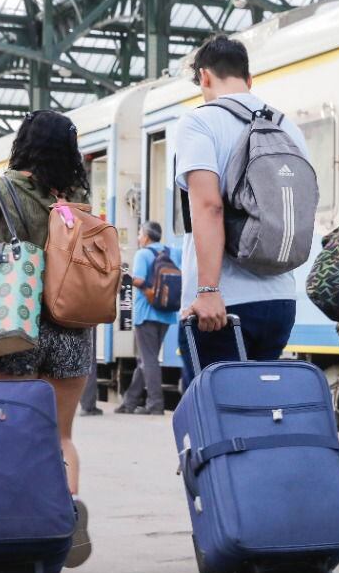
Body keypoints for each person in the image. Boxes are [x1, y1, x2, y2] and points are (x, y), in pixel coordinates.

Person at [0, 110, 96, 567]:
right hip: (71, 326)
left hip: (12, 328)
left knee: (15, 432)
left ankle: (21, 526)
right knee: (60, 435)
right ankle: (64, 509)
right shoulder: (76, 196)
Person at [176, 35, 310, 379]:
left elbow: (208, 207)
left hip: (223, 305)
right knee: (260, 416)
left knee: (214, 419)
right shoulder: (287, 126)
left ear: (204, 77)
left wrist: (207, 291)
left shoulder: (199, 121)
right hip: (280, 300)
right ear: (249, 79)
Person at [116, 222, 176, 415]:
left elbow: (139, 280)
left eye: (140, 233)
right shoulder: (171, 252)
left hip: (146, 313)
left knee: (148, 361)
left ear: (148, 237)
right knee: (145, 359)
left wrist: (126, 276)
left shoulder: (142, 254)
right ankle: (130, 402)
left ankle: (155, 404)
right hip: (167, 313)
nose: (138, 238)